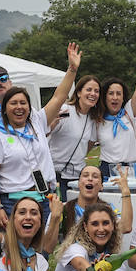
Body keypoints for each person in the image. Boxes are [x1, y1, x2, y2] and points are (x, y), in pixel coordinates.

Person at [0, 87, 56, 231]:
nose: (19, 107)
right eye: (13, 103)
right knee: (15, 250)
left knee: (42, 249)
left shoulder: (36, 127)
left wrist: (72, 70)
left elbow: (58, 98)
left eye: (23, 103)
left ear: (29, 108)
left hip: (42, 200)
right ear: (4, 109)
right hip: (13, 203)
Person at [47, 45, 99, 184]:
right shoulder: (65, 110)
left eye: (96, 91)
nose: (93, 94)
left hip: (78, 177)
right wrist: (52, 125)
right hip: (56, 175)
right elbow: (45, 132)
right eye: (89, 90)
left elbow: (89, 144)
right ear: (79, 92)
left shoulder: (92, 119)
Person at [95, 59, 136, 176]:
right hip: (107, 170)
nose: (115, 97)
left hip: (130, 169)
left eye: (118, 94)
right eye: (111, 93)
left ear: (123, 97)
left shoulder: (129, 112)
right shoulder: (97, 119)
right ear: (104, 97)